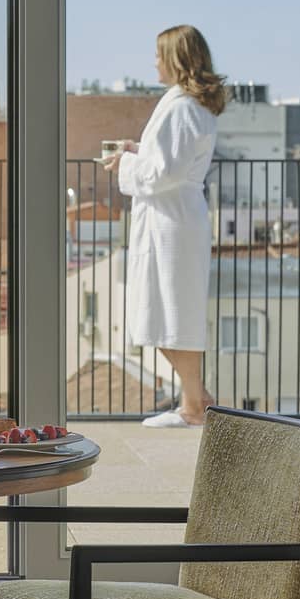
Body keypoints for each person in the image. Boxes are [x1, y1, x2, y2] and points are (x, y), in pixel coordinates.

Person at [103, 24, 226, 427]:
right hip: (171, 218)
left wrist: (126, 164)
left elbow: (163, 172)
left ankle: (195, 406)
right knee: (162, 313)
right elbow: (168, 160)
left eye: (159, 55)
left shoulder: (184, 108)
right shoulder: (186, 106)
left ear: (175, 59)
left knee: (172, 313)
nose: (154, 62)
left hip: (171, 223)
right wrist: (138, 150)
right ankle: (198, 402)